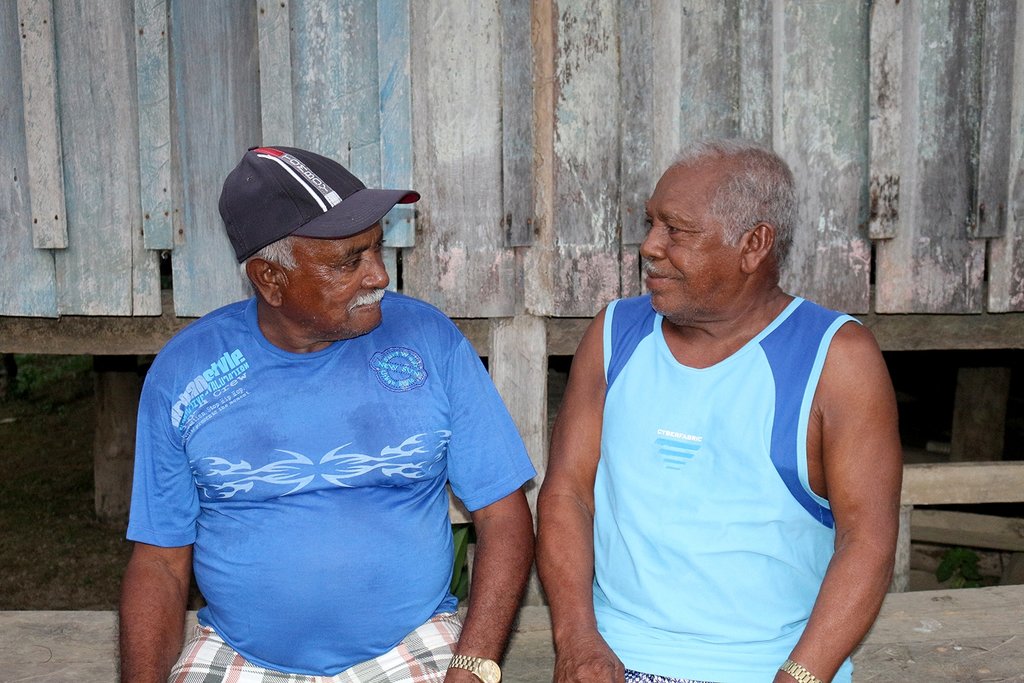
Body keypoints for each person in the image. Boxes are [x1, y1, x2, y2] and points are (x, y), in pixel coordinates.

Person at [119, 146, 536, 683]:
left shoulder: (428, 341)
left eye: (377, 249)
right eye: (349, 261)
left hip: (411, 647)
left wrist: (472, 667)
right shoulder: (187, 373)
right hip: (238, 654)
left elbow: (503, 516)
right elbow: (158, 562)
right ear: (269, 279)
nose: (380, 277)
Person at [537, 139, 902, 683]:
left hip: (769, 667)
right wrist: (578, 640)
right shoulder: (615, 335)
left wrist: (800, 676)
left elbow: (867, 541)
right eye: (651, 223)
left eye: (676, 230)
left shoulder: (836, 359)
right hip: (615, 661)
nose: (650, 246)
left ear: (753, 245)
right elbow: (566, 491)